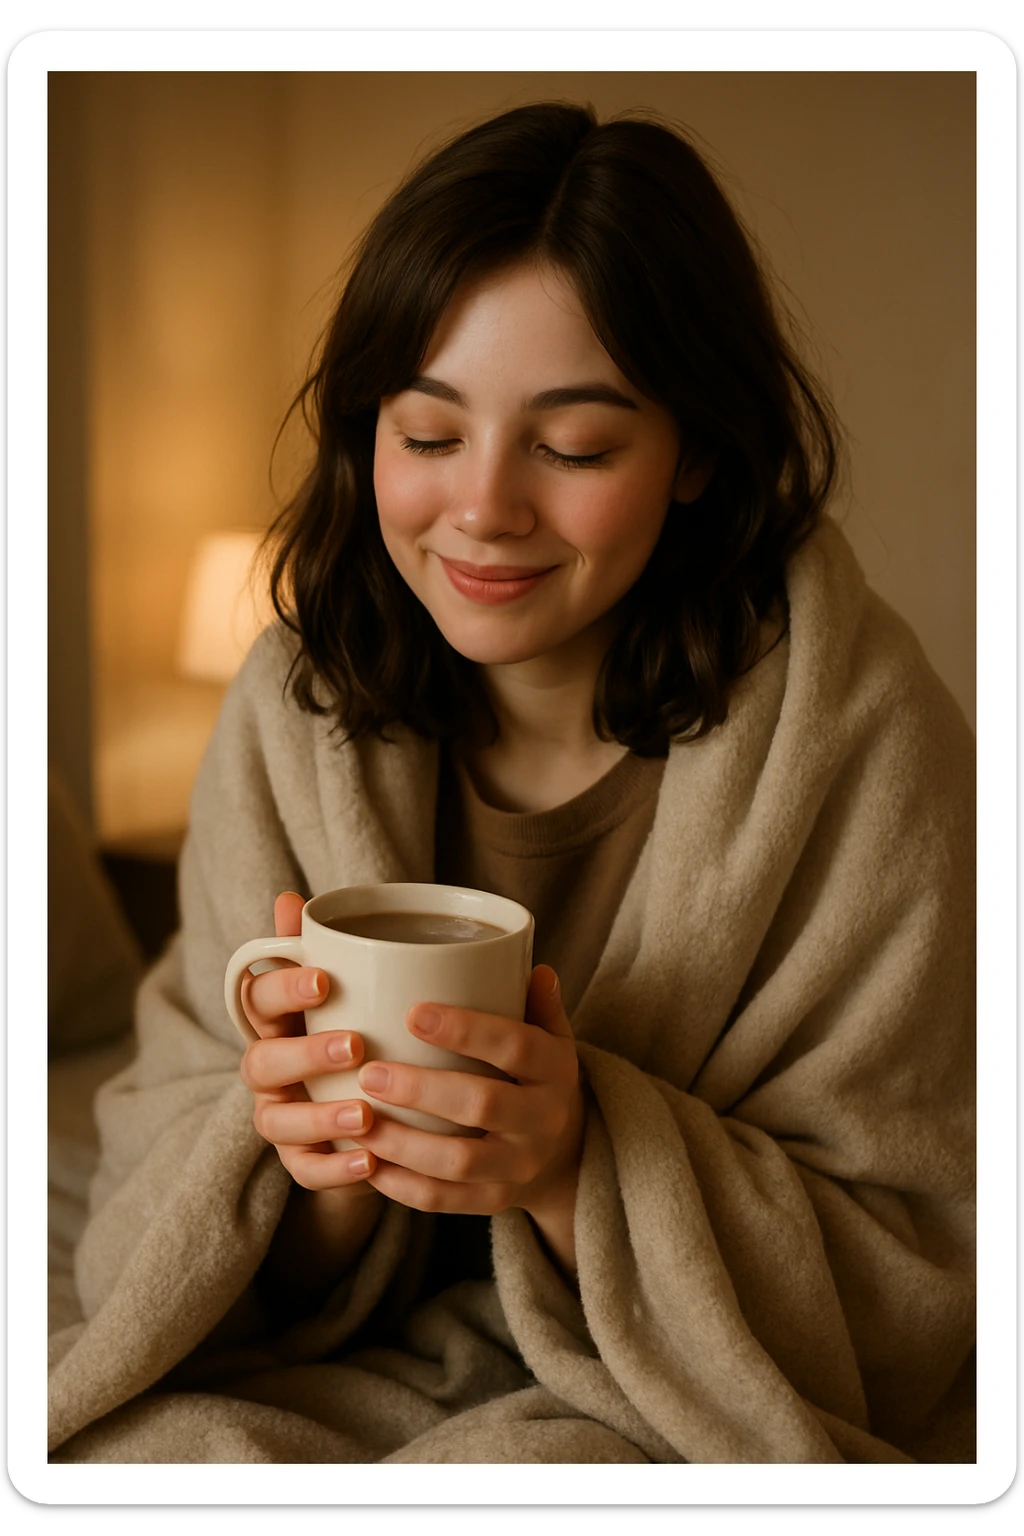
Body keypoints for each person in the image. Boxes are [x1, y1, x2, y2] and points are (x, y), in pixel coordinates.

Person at [48, 102, 975, 1466]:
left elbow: (905, 1271)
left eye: (577, 446)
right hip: (335, 1353)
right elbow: (164, 1183)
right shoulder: (293, 707)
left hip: (657, 1393)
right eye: (427, 436)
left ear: (697, 453)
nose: (484, 509)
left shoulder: (861, 741)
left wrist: (572, 1164)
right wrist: (314, 1167)